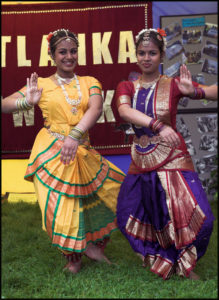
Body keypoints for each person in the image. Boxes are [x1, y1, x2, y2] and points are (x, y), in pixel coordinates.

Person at [2, 28, 125, 274]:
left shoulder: (91, 82)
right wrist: (28, 101)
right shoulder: (43, 84)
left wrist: (75, 136)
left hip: (81, 149)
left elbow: (96, 109)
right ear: (52, 55)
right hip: (52, 152)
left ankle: (95, 247)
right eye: (62, 52)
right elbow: (5, 105)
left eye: (72, 51)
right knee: (63, 205)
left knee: (109, 193)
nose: (68, 56)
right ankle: (73, 258)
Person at [115, 28, 217, 280]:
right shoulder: (127, 85)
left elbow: (212, 92)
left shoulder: (172, 84)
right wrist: (158, 125)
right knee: (128, 212)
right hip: (141, 157)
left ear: (161, 56)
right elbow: (125, 112)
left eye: (152, 53)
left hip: (173, 156)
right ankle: (160, 258)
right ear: (136, 55)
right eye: (142, 53)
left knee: (199, 216)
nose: (146, 58)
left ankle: (185, 263)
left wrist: (193, 91)